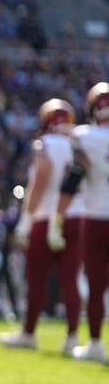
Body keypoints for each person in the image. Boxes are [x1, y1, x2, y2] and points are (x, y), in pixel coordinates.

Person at [0, 98, 84, 354]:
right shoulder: (80, 143)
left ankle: (29, 332)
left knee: (36, 279)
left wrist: (26, 221)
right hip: (76, 215)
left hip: (47, 217)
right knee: (71, 280)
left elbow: (42, 178)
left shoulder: (46, 144)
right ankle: (72, 336)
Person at [51, 82, 109, 363]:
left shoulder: (85, 136)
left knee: (96, 285)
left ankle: (96, 343)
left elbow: (75, 177)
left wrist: (57, 216)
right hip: (95, 213)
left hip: (97, 216)